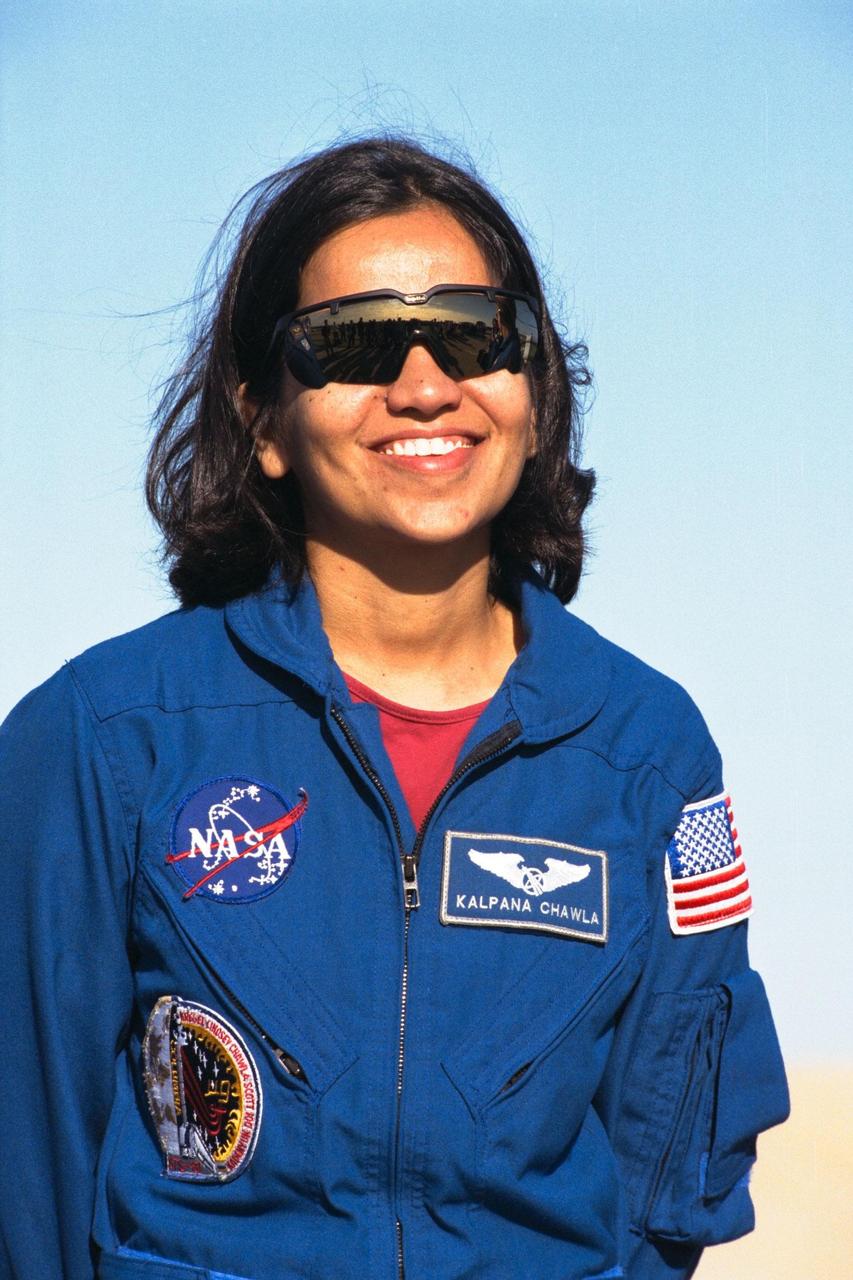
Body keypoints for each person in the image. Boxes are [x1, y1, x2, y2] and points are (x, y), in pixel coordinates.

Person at [0, 137, 789, 1280]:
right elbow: (26, 1181)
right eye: (357, 342)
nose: (425, 384)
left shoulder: (649, 757)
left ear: (530, 385)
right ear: (263, 418)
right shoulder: (99, 736)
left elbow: (663, 1192)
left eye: (474, 333)